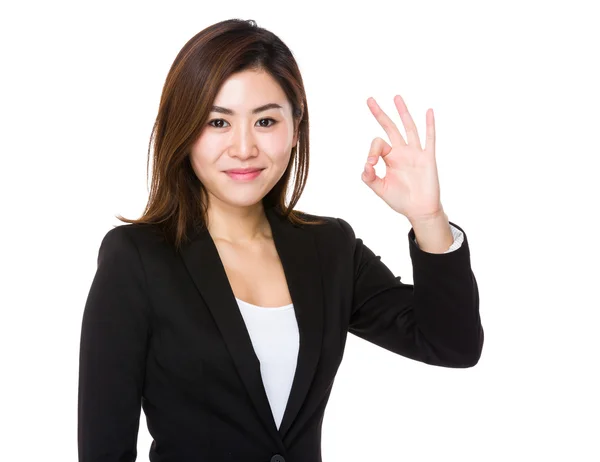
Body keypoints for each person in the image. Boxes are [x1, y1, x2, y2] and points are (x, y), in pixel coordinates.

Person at [77, 18, 484, 462]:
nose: (244, 147)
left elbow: (452, 344)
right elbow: (104, 449)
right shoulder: (136, 258)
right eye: (218, 122)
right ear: (184, 131)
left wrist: (428, 218)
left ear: (295, 128)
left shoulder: (329, 248)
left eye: (266, 120)